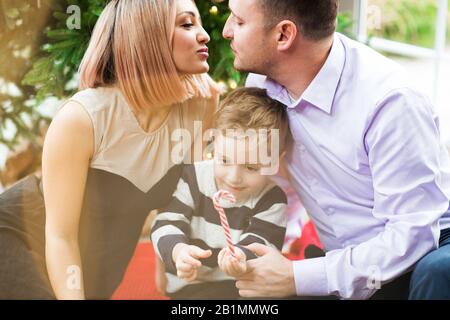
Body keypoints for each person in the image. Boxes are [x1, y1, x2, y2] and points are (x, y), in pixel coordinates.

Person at [222, 0, 450, 299]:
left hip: (424, 252)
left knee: (437, 270)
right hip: (345, 260)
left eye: (239, 21)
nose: (226, 30)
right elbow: (270, 182)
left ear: (284, 35)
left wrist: (297, 277)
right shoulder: (261, 83)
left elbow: (413, 234)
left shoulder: (391, 102)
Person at [0, 0, 220, 299]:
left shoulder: (201, 103)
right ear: (148, 36)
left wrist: (171, 279)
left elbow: (182, 203)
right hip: (22, 242)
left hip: (103, 259)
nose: (204, 34)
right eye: (186, 24)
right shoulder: (82, 118)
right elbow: (60, 236)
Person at [151, 87, 289, 299]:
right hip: (192, 283)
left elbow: (262, 243)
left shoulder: (272, 199)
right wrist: (178, 251)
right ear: (214, 143)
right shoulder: (193, 177)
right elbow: (166, 222)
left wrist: (240, 256)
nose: (234, 177)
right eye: (224, 160)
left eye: (251, 167)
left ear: (276, 161)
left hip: (244, 284)